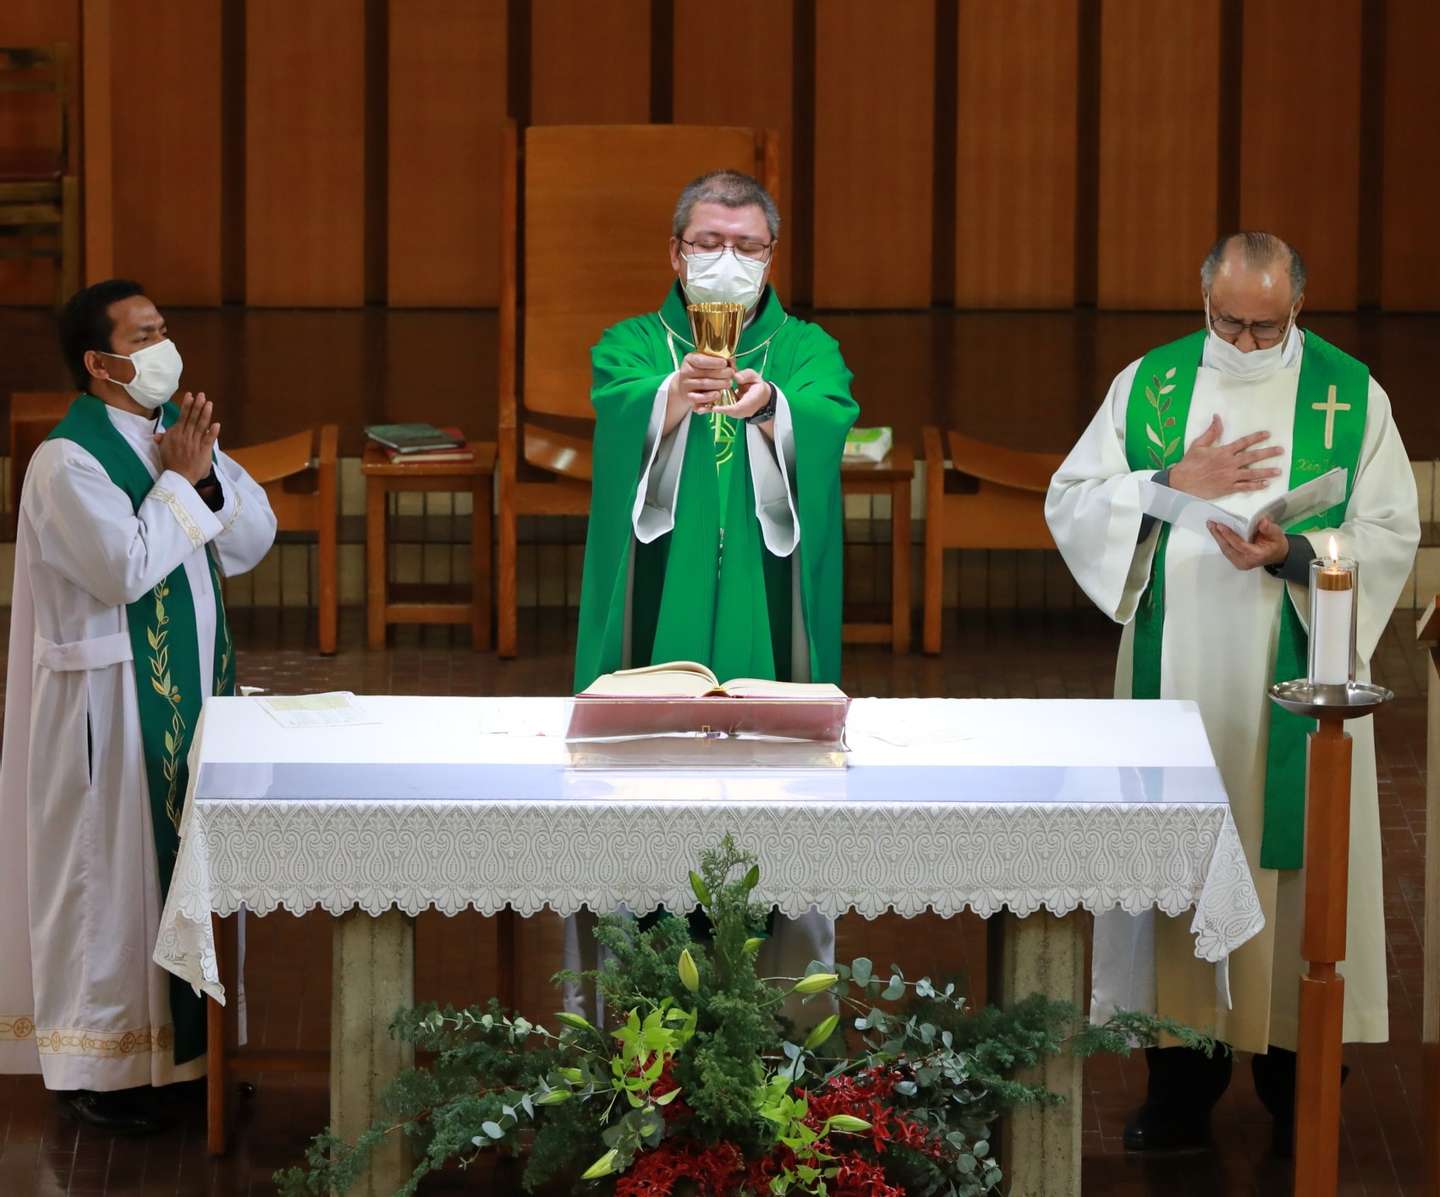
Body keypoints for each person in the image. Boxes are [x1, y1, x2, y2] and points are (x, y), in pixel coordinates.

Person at [1046, 233, 1419, 1155]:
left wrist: (1289, 552)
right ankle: (1179, 1084)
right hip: (1177, 679)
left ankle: (1301, 1085)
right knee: (1179, 858)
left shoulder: (1349, 392)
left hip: (1300, 683)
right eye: (1229, 323)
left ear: (1299, 305)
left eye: (1266, 325)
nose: (1246, 343)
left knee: (1297, 869)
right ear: (1201, 298)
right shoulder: (1152, 385)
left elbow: (1388, 527)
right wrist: (1171, 479)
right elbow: (1072, 499)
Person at [566, 171, 858, 1013]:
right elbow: (618, 406)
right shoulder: (631, 343)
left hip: (768, 624)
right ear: (676, 251)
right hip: (655, 631)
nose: (726, 259)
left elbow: (829, 409)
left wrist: (776, 414)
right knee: (643, 824)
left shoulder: (807, 351)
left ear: (771, 258)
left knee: (777, 828)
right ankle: (629, 1031)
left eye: (746, 245)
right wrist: (666, 399)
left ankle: (782, 1035)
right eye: (708, 242)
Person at [0, 280, 277, 1133]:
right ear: (100, 360)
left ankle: (188, 1059)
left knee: (182, 874)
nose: (165, 345)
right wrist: (182, 485)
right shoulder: (66, 460)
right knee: (108, 886)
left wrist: (201, 481)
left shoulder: (173, 436)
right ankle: (98, 1069)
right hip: (107, 707)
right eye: (146, 333)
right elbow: (122, 568)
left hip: (188, 694)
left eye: (164, 328)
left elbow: (253, 536)